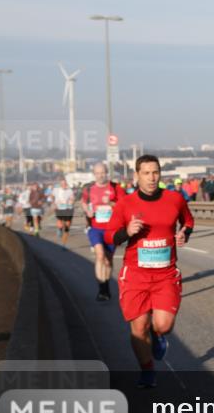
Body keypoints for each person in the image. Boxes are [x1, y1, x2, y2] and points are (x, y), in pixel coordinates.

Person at [105, 155, 194, 388]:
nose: (152, 178)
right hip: (136, 274)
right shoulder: (126, 204)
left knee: (163, 325)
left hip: (165, 274)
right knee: (138, 327)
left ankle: (158, 336)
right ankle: (147, 371)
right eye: (146, 173)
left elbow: (188, 220)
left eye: (155, 172)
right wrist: (127, 231)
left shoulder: (174, 199)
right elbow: (109, 235)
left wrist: (184, 233)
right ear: (136, 176)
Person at [82, 163, 123, 301]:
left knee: (109, 260)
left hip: (112, 230)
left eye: (103, 173)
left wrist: (112, 204)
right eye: (97, 173)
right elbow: (84, 203)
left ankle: (106, 286)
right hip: (95, 229)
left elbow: (125, 205)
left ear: (107, 173)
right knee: (100, 255)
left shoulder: (115, 188)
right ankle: (102, 288)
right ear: (94, 174)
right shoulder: (89, 189)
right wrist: (88, 211)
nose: (100, 175)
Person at [52, 178, 76, 248]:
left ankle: (64, 243)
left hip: (68, 209)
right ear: (60, 184)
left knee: (67, 226)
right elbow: (52, 196)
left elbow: (72, 198)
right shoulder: (56, 190)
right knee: (60, 224)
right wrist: (54, 203)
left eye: (65, 183)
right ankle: (59, 229)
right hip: (59, 209)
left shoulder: (70, 191)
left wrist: (71, 201)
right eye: (62, 184)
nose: (64, 185)